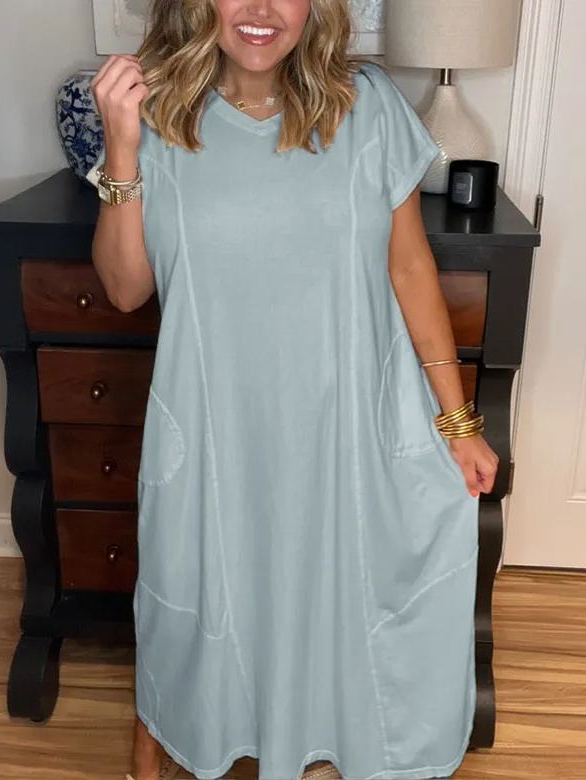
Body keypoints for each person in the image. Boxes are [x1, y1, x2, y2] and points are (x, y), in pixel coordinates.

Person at [88, 1, 499, 779]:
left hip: (344, 431)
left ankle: (317, 744)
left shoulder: (367, 107)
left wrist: (457, 422)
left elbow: (410, 267)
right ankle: (165, 738)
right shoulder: (156, 116)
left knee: (336, 597)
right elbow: (125, 288)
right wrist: (122, 148)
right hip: (216, 432)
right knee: (197, 599)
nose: (261, 9)